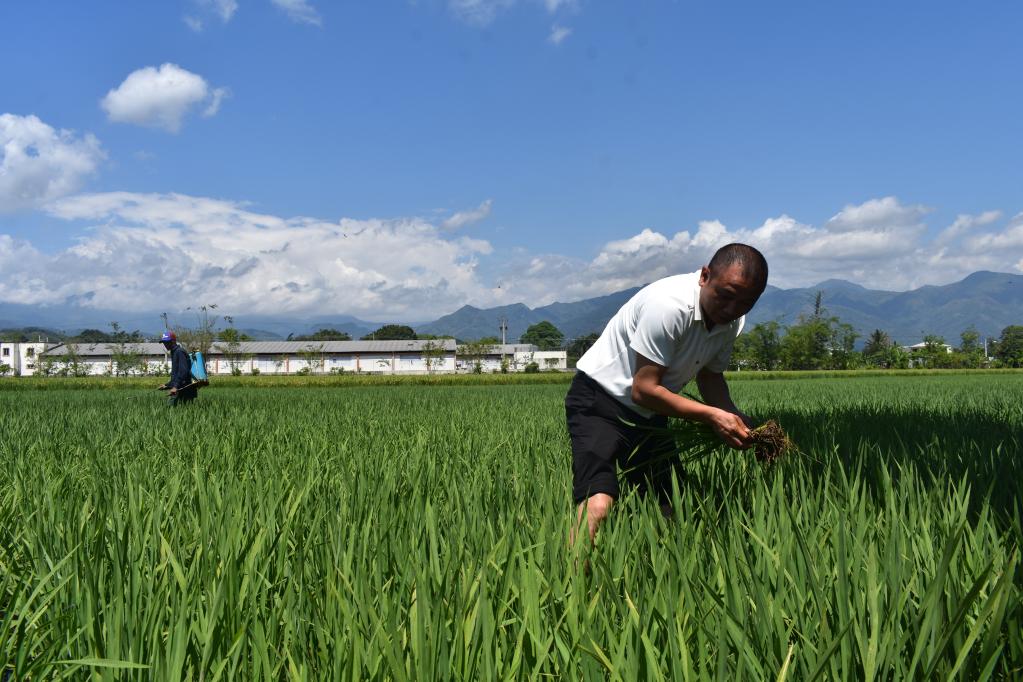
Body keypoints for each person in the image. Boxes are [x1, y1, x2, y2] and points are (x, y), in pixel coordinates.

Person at [567, 243, 768, 543]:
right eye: (725, 296)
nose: (732, 310)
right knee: (599, 504)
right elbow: (644, 390)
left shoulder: (732, 321)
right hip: (600, 403)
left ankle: (669, 576)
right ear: (704, 276)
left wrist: (737, 419)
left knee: (673, 507)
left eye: (745, 303)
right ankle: (572, 585)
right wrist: (713, 416)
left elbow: (710, 377)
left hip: (651, 414)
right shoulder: (668, 306)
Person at [158, 331, 197, 406]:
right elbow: (176, 374)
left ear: (173, 341)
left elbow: (183, 371)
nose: (165, 344)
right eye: (164, 342)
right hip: (180, 388)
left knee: (172, 409)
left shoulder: (179, 352)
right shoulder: (174, 352)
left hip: (185, 389)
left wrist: (175, 387)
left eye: (166, 342)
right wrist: (167, 385)